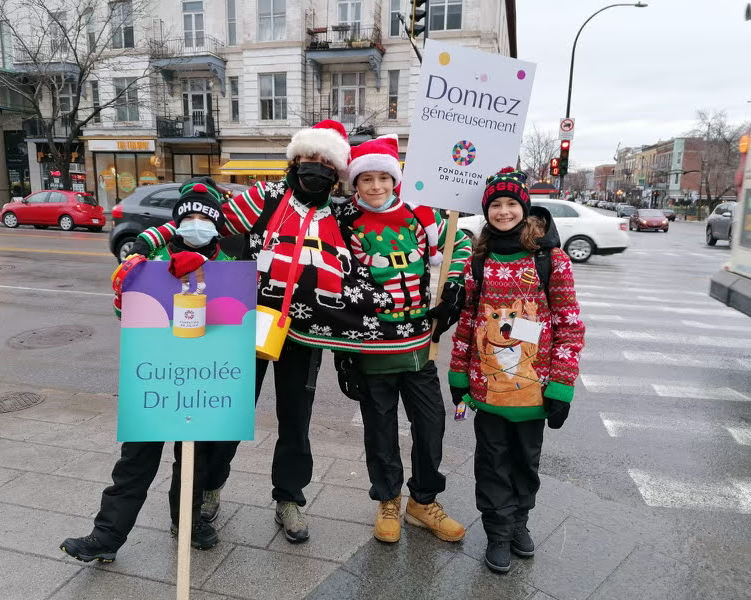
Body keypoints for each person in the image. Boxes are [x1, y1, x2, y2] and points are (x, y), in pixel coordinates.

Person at [128, 120, 354, 543]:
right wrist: (150, 241)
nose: (316, 169)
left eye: (326, 163)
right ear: (295, 160)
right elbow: (199, 224)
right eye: (310, 160)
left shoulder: (341, 214)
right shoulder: (264, 197)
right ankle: (210, 487)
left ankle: (289, 498)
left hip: (304, 334)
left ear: (336, 171)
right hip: (243, 323)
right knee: (227, 413)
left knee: (296, 421)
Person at [60, 179, 231, 562]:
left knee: (195, 461)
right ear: (178, 222)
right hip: (155, 378)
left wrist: (201, 275)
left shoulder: (230, 270)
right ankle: (106, 536)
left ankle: (187, 522)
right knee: (134, 461)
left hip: (202, 383)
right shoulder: (150, 265)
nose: (196, 224)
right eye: (188, 216)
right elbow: (125, 311)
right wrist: (150, 270)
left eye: (205, 217)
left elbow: (235, 325)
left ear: (216, 224)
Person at [332, 134, 472, 543]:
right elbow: (339, 283)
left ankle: (422, 502)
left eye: (383, 178)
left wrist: (451, 290)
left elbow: (457, 243)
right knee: (380, 430)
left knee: (431, 425)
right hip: (372, 347)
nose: (375, 187)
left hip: (418, 345)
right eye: (366, 179)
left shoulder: (419, 211)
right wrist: (344, 352)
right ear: (354, 183)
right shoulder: (346, 224)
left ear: (395, 180)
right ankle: (388, 499)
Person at [447, 167, 585, 574]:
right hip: (488, 389)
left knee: (526, 462)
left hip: (533, 389)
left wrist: (561, 384)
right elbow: (469, 323)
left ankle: (519, 522)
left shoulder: (551, 260)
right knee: (491, 462)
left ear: (524, 208)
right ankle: (497, 532)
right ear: (486, 210)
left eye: (511, 204)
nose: (503, 211)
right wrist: (458, 374)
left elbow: (569, 322)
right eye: (495, 204)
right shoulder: (480, 260)